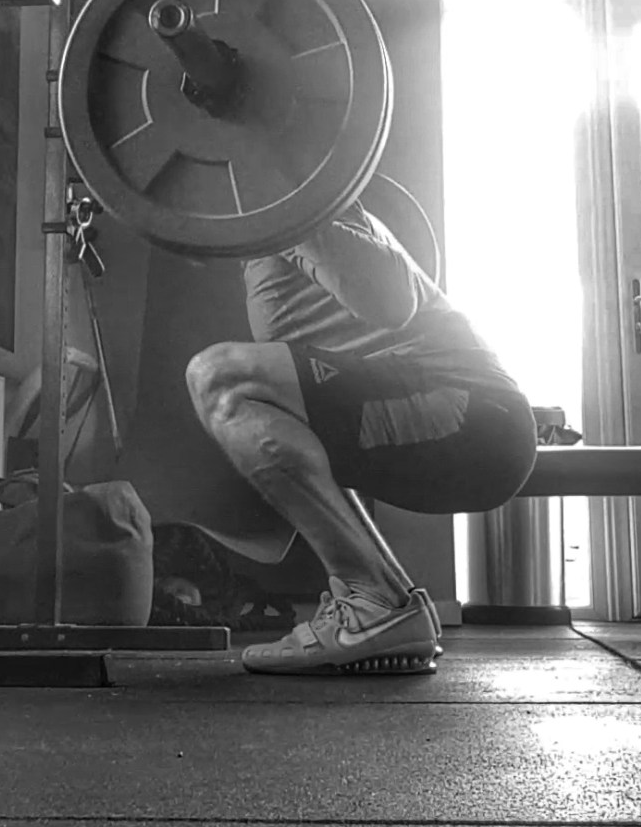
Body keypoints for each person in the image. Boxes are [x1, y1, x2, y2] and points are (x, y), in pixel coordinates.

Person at [185, 197, 537, 674]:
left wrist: (285, 207)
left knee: (219, 377)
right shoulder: (272, 241)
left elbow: (392, 301)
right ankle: (386, 607)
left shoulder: (298, 206)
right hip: (462, 418)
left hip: (474, 415)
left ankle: (370, 602)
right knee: (281, 411)